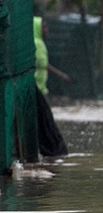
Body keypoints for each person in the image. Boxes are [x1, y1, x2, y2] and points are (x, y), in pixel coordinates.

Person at [33, 15, 69, 157]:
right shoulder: (36, 43)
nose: (46, 30)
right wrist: (61, 74)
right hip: (37, 87)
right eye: (44, 27)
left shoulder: (39, 42)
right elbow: (42, 64)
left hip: (41, 86)